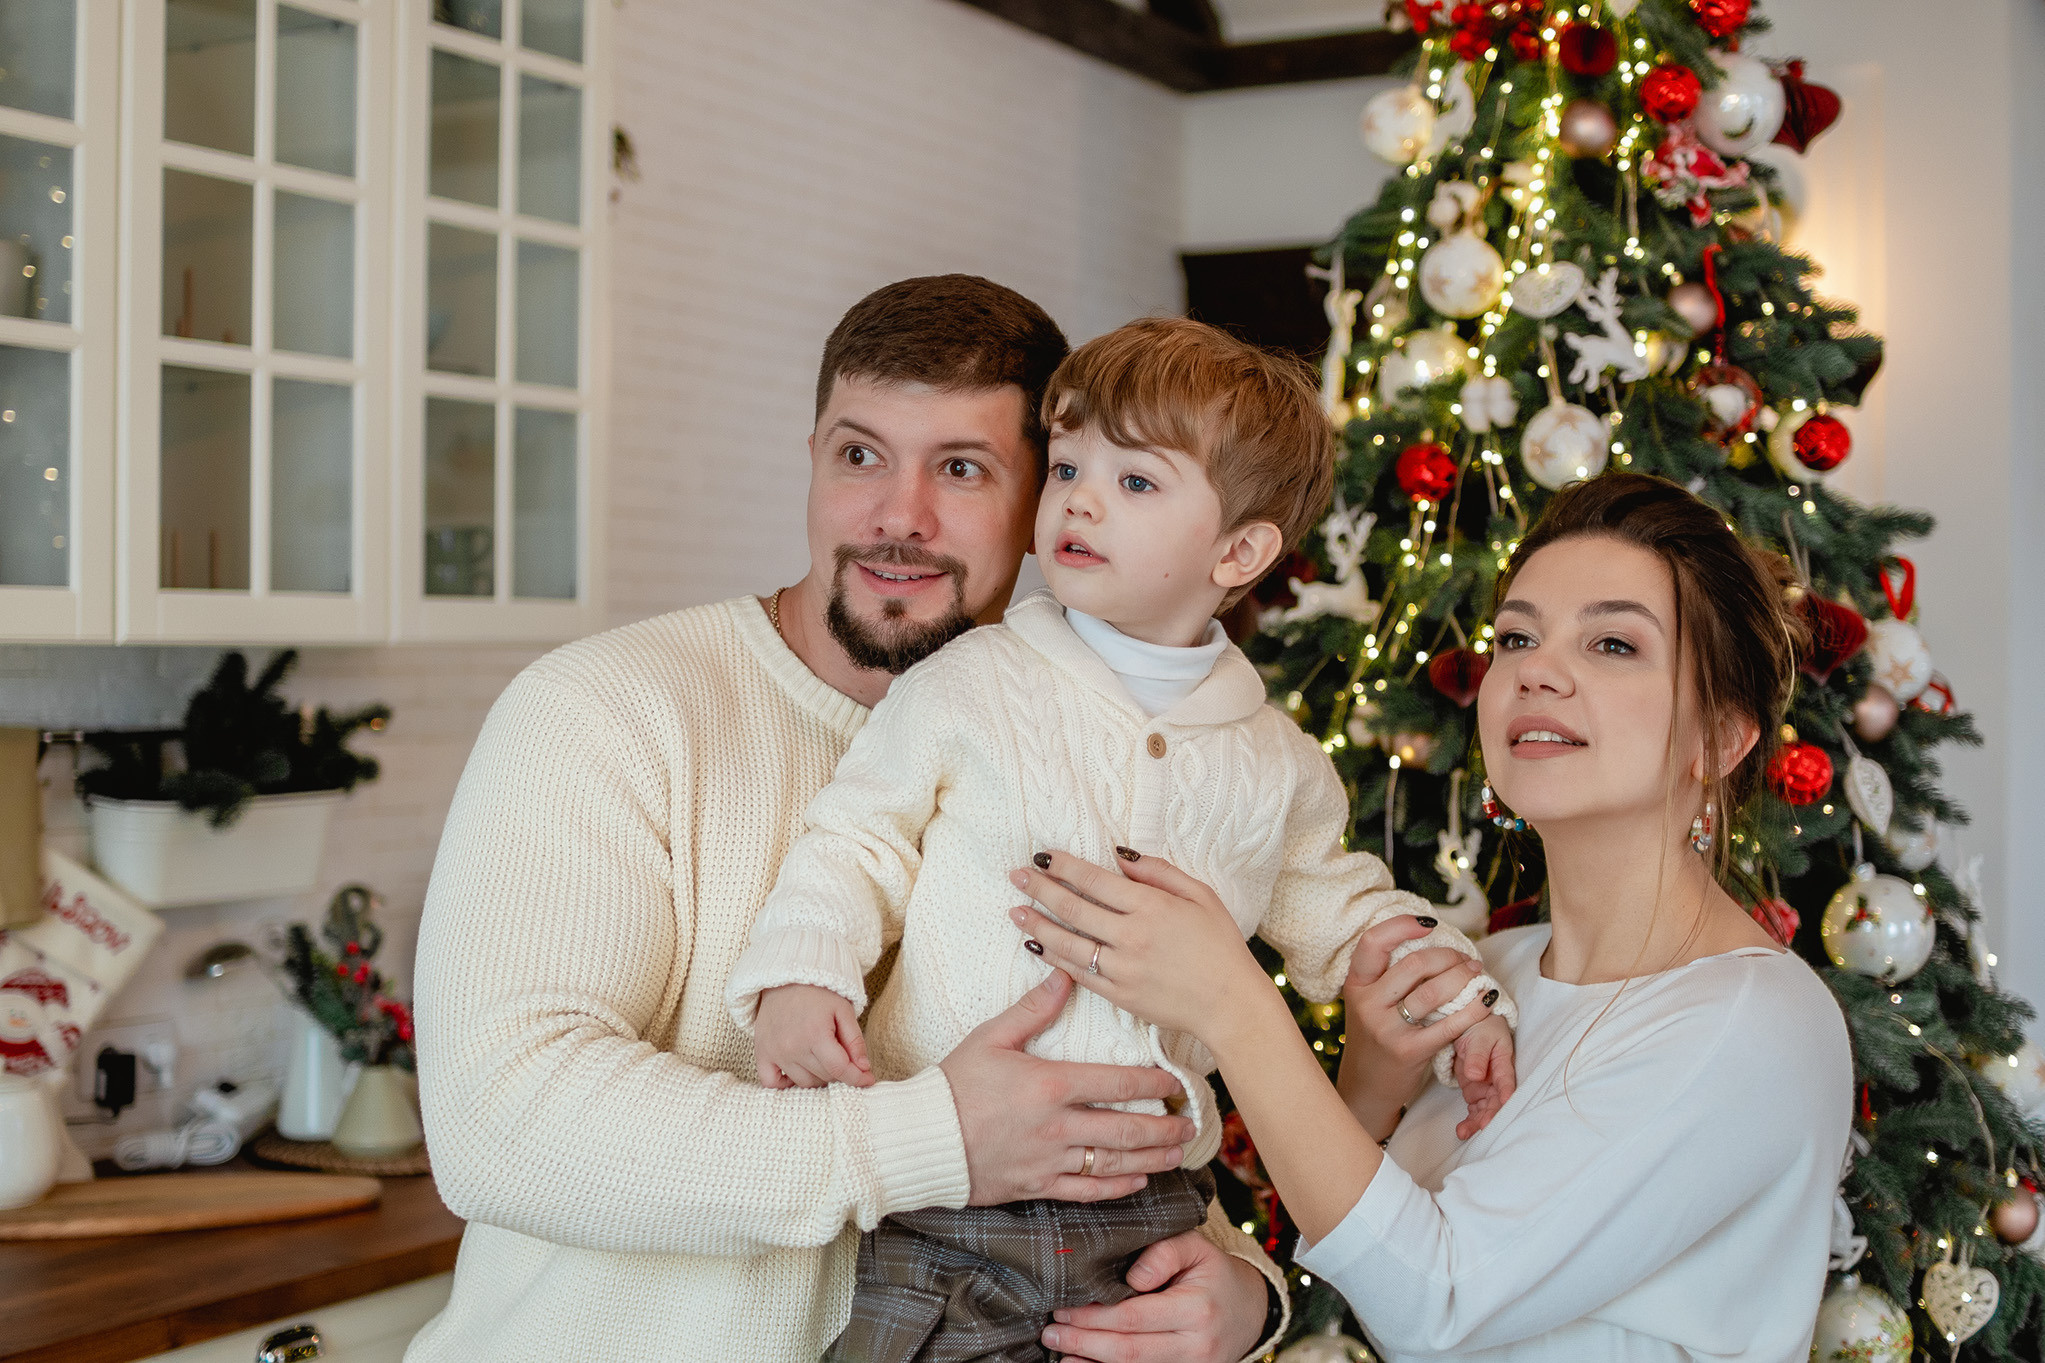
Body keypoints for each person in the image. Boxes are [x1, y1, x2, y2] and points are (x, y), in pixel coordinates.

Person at [408, 277, 1282, 1363]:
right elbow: (503, 1128)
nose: (895, 516)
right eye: (858, 455)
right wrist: (937, 1140)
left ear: (1048, 500)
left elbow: (1105, 1096)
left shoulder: (1105, 751)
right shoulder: (603, 708)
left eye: (960, 470)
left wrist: (1241, 1295)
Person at [725, 317, 1517, 1363]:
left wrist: (1456, 995)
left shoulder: (1271, 759)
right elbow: (853, 842)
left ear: (1237, 551)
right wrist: (798, 976)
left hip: (1152, 1223)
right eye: (1066, 468)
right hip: (949, 1209)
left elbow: (1344, 905)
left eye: (1134, 483)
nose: (1079, 501)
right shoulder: (967, 684)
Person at [1007, 472, 1855, 1359]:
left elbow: (1436, 1294)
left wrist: (1231, 1001)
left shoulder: (1749, 1021)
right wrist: (1374, 1080)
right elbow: (1373, 1255)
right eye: (1516, 636)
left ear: (1720, 736)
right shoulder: (1495, 968)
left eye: (1611, 643)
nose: (1538, 671)